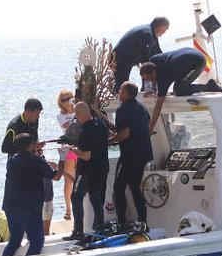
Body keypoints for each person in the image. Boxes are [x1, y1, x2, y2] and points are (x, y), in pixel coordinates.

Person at [2, 134, 62, 256]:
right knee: (37, 242)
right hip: (29, 209)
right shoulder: (37, 161)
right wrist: (63, 158)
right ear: (31, 145)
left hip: (11, 207)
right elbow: (56, 177)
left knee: (14, 241)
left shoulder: (11, 161)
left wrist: (34, 148)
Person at [140, 48, 222, 132]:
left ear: (153, 73)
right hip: (187, 55)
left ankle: (209, 86)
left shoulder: (164, 77)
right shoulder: (153, 61)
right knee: (177, 87)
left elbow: (159, 105)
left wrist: (151, 127)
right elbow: (155, 79)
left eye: (149, 79)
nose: (149, 81)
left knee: (179, 91)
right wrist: (154, 90)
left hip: (197, 62)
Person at [64, 102, 110, 241]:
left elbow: (86, 155)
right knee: (95, 198)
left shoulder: (85, 131)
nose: (76, 118)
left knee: (76, 197)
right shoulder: (101, 124)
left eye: (77, 114)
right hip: (102, 168)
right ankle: (100, 228)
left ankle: (78, 231)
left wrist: (71, 150)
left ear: (80, 114)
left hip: (87, 171)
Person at [109, 81, 153, 226]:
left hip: (129, 155)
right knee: (134, 186)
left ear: (126, 93)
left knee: (118, 189)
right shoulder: (141, 106)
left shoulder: (122, 110)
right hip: (143, 154)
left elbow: (125, 133)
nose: (119, 93)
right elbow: (147, 125)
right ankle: (143, 220)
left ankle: (121, 222)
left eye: (121, 90)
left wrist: (110, 141)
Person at [113, 17, 170, 91]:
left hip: (129, 59)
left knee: (148, 68)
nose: (165, 31)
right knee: (122, 85)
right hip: (121, 59)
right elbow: (145, 60)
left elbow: (157, 53)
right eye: (166, 29)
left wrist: (168, 62)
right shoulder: (147, 34)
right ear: (161, 26)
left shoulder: (152, 33)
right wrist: (149, 80)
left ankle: (146, 89)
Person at [56, 90, 77, 220]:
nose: (67, 102)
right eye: (63, 100)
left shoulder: (79, 109)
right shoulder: (61, 116)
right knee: (68, 179)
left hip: (80, 147)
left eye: (69, 98)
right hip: (68, 149)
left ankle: (79, 207)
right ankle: (68, 209)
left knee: (80, 177)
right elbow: (69, 127)